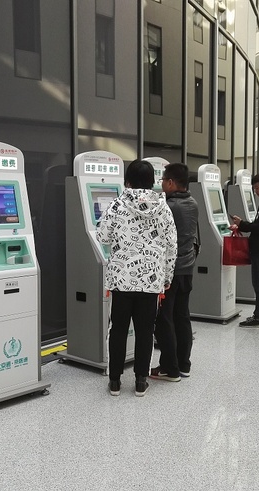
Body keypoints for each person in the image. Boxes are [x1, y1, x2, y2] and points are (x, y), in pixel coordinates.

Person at [97, 159, 177, 397]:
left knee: (118, 330)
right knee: (145, 331)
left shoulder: (116, 205)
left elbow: (102, 235)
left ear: (127, 180)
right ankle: (141, 380)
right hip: (151, 281)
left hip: (121, 280)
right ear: (152, 181)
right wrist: (166, 277)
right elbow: (172, 245)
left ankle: (114, 382)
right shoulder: (163, 207)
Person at [150, 163, 198, 381]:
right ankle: (184, 364)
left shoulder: (168, 206)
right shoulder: (193, 202)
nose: (161, 185)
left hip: (170, 271)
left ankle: (170, 368)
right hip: (187, 267)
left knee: (163, 319)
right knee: (182, 316)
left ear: (170, 182)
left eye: (162, 181)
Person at [229, 172, 259, 327]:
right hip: (258, 246)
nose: (255, 191)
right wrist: (241, 224)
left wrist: (243, 224)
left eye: (257, 188)